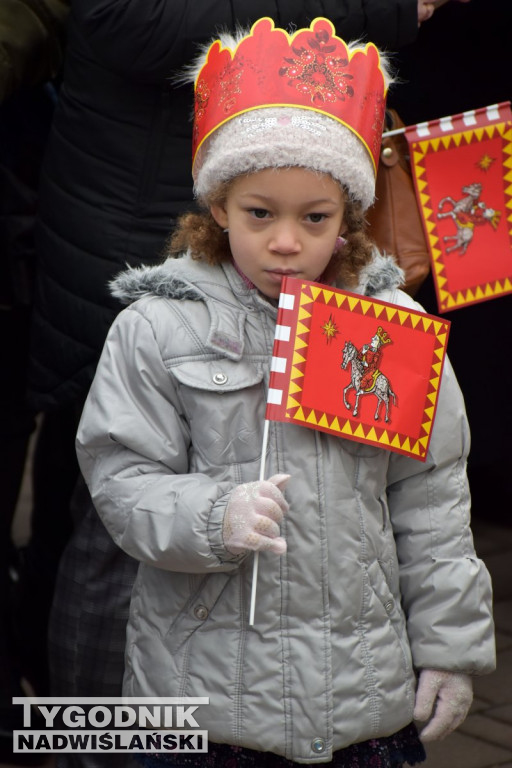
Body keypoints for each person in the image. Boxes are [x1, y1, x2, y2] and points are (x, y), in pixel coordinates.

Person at [75, 18, 495, 768]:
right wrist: (212, 514)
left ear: (349, 216)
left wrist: (451, 648)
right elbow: (120, 480)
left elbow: (431, 498)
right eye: (259, 214)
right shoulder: (158, 328)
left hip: (361, 705)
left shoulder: (389, 327)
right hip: (201, 709)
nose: (285, 241)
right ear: (217, 208)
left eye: (316, 218)